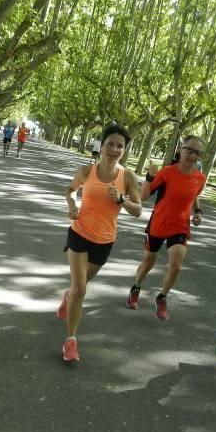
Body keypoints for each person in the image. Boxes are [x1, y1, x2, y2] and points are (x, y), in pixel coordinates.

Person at [56, 124, 142, 362]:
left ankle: (68, 297)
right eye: (110, 144)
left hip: (104, 241)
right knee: (81, 289)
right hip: (79, 233)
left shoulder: (128, 177)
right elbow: (71, 189)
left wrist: (122, 199)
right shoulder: (86, 171)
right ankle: (71, 342)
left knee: (78, 288)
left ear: (124, 150)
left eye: (120, 146)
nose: (114, 149)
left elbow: (138, 210)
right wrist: (72, 205)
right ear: (101, 145)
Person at [126, 135, 206, 319]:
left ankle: (162, 297)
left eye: (197, 152)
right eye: (189, 149)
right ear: (180, 150)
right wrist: (149, 176)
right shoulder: (167, 172)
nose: (192, 155)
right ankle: (136, 287)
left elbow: (194, 196)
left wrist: (198, 212)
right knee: (148, 262)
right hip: (158, 224)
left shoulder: (200, 178)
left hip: (180, 226)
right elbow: (143, 196)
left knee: (176, 264)